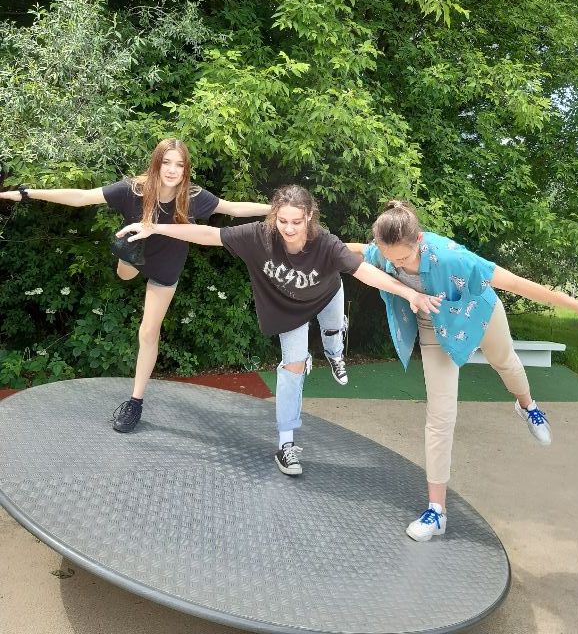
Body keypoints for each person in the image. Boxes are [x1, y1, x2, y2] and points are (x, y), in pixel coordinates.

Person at [116, 185, 443, 476]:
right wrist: (153, 227)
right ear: (275, 216)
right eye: (283, 221)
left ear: (309, 216)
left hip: (327, 293)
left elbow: (365, 272)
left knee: (332, 330)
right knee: (292, 366)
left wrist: (410, 293)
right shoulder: (259, 236)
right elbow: (207, 234)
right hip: (290, 312)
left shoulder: (325, 243)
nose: (289, 228)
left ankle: (334, 353)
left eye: (296, 222)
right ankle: (286, 444)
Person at [346, 201, 578, 542]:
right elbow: (353, 251)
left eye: (403, 258)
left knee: (506, 362)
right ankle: (437, 511)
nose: (398, 265)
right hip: (435, 326)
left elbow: (516, 283)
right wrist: (309, 242)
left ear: (419, 239)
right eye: (392, 260)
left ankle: (528, 406)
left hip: (478, 314)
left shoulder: (452, 257)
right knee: (440, 415)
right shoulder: (384, 252)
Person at [0, 138, 271, 432]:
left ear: (186, 169)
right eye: (166, 162)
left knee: (148, 331)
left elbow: (233, 208)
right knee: (125, 274)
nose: (172, 170)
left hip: (166, 265)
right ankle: (124, 250)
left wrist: (277, 210)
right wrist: (26, 193)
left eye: (179, 165)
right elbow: (81, 197)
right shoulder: (134, 190)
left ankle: (135, 402)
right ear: (156, 164)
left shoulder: (193, 196)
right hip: (134, 256)